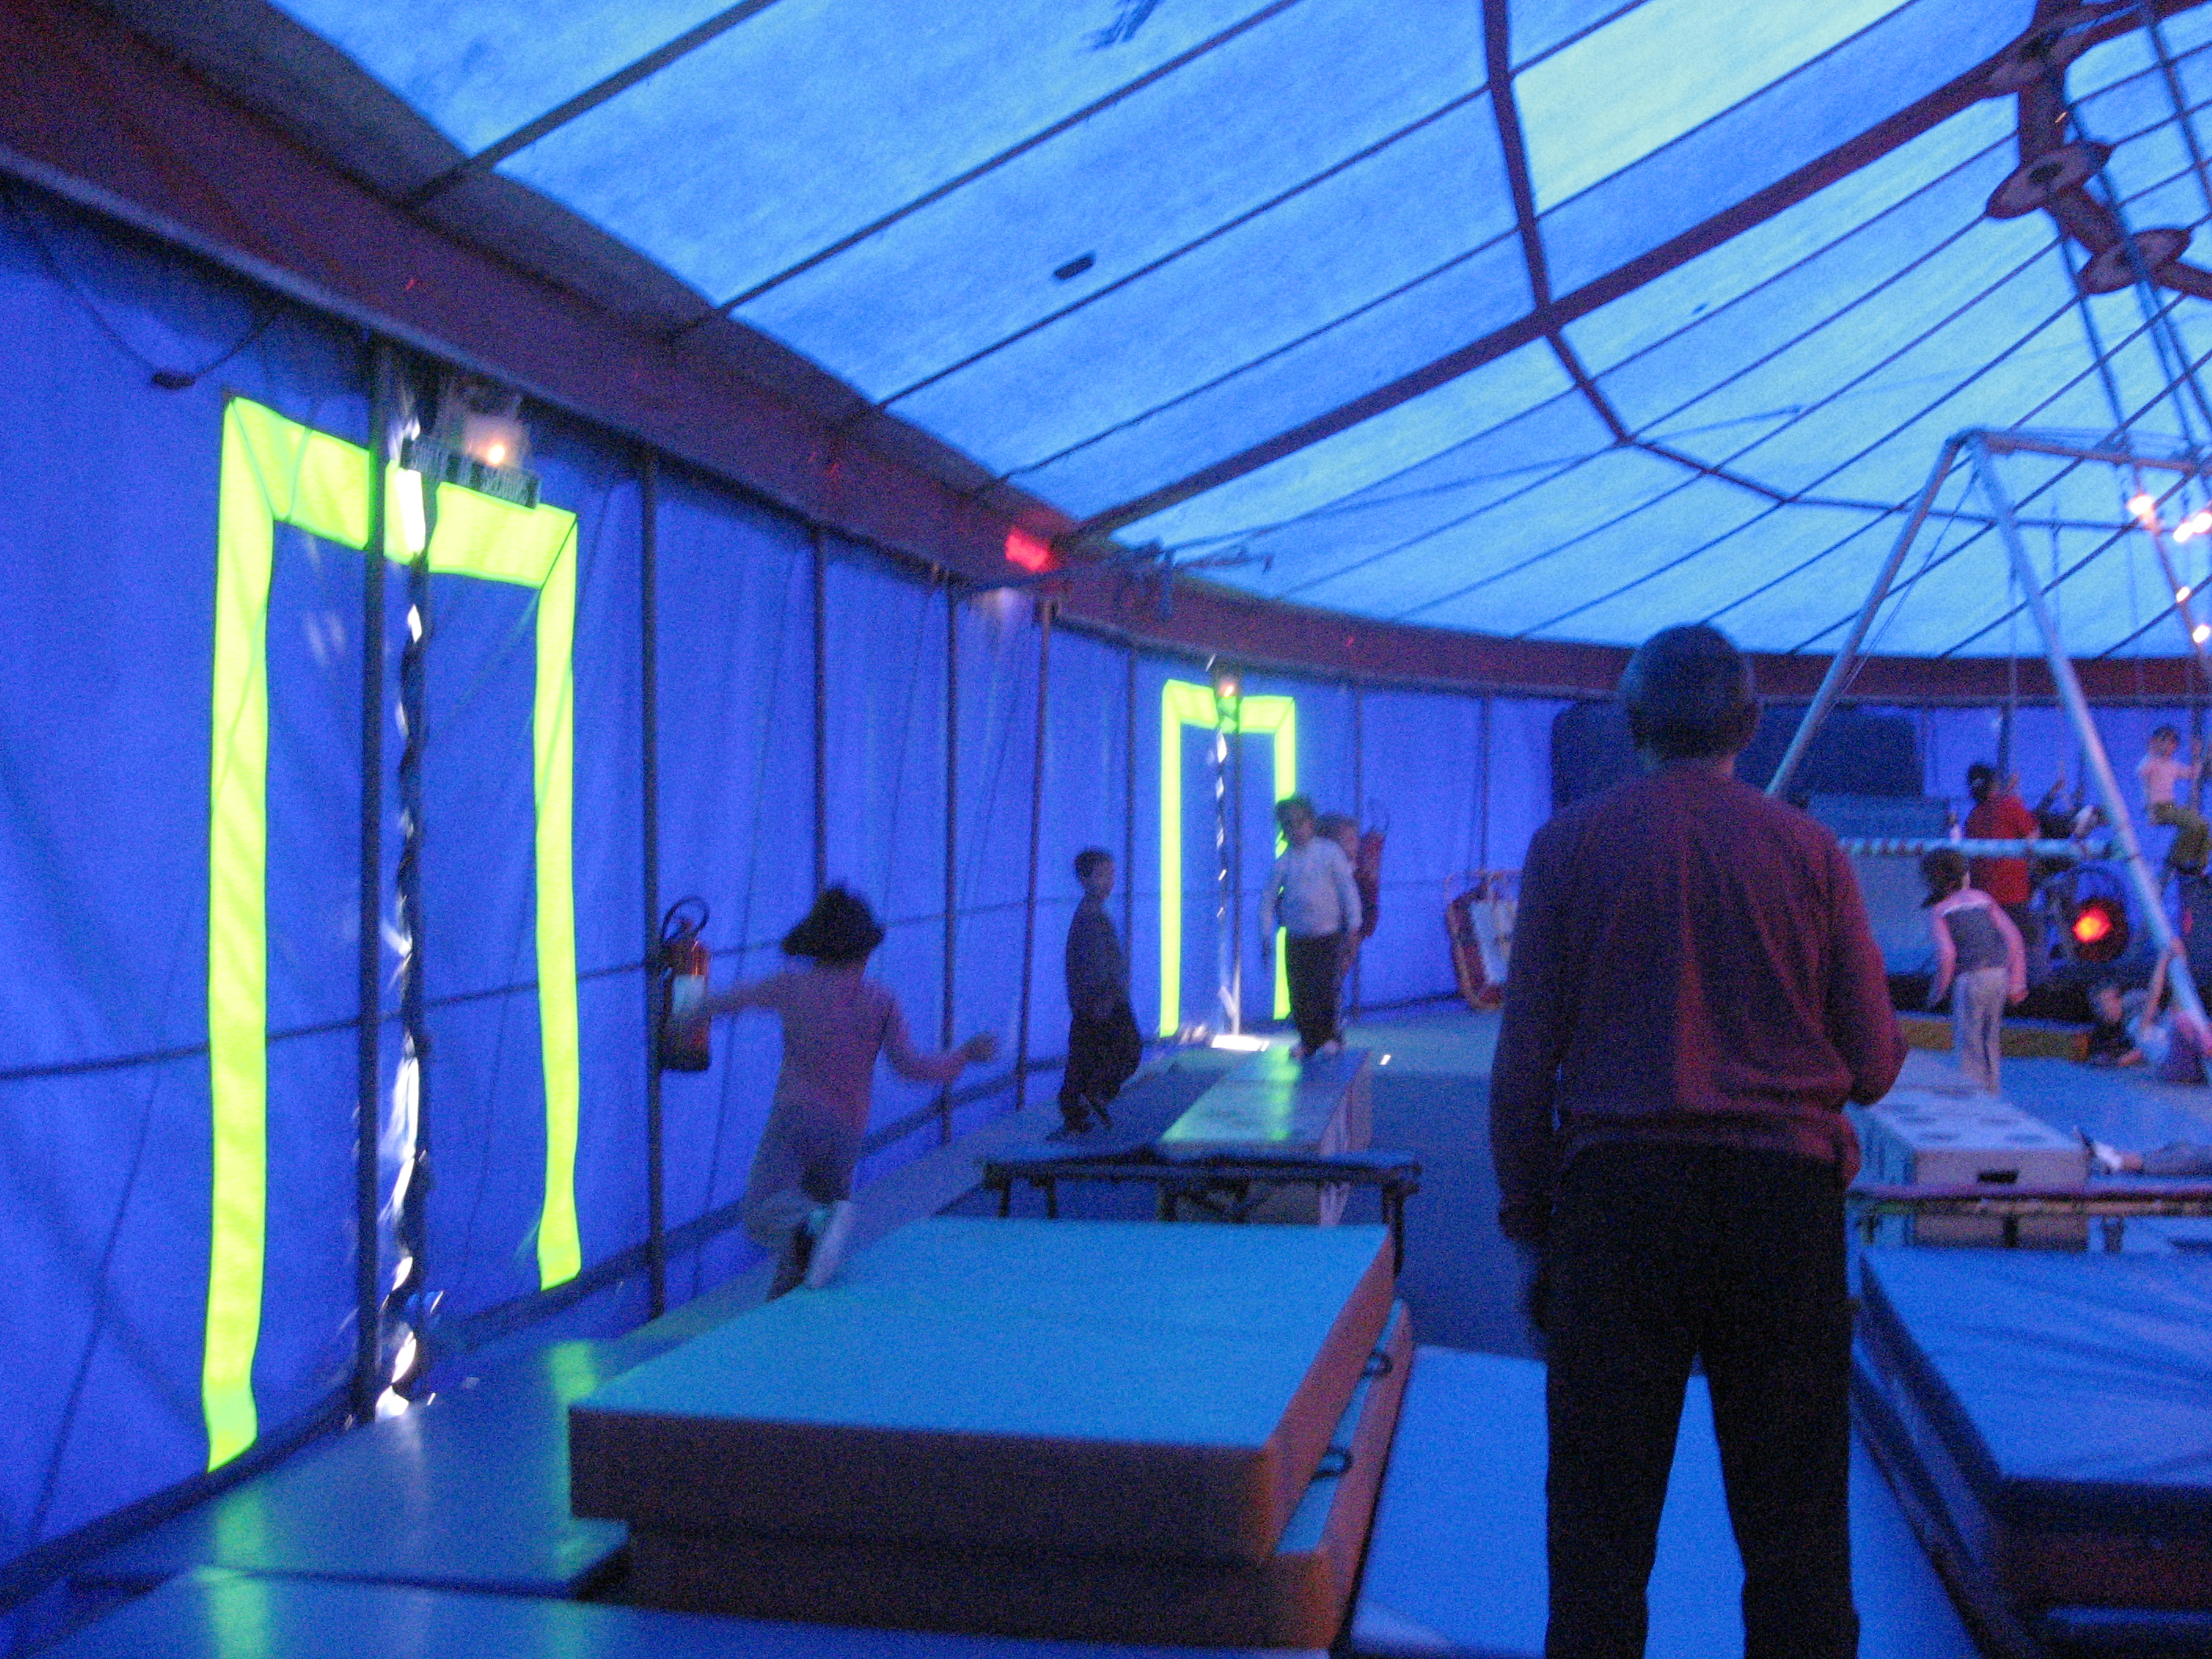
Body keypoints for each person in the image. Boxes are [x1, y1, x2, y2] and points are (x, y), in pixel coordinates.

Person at [1491, 623, 1904, 1659]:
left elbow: (1524, 1063)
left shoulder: (1567, 848)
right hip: (1780, 1212)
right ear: (1751, 724)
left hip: (1617, 1209)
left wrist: (1533, 1229)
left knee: (1597, 1537)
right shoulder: (1809, 853)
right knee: (1797, 1532)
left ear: (1630, 723)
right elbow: (1873, 1062)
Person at [694, 886, 997, 1295]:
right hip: (846, 1130)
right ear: (865, 949)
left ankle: (810, 1226)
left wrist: (683, 1016)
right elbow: (911, 1067)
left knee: (766, 1210)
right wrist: (964, 1055)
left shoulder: (792, 987)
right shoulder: (881, 1001)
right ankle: (794, 1299)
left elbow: (732, 1001)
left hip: (796, 1117)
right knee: (815, 1249)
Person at [1260, 795, 1361, 1057]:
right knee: (1299, 993)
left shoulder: (1330, 853)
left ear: (1312, 823)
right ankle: (1308, 1039)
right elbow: (1267, 900)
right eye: (1289, 825)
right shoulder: (1283, 862)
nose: (1296, 829)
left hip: (1328, 936)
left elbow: (1348, 889)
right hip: (1296, 939)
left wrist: (1354, 926)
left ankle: (1331, 1037)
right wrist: (1265, 936)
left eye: (1301, 822)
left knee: (1324, 990)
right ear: (1283, 830)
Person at [1922, 846, 2027, 1095]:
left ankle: (1972, 1091)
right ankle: (1992, 1089)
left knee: (1969, 1038)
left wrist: (1939, 990)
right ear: (1965, 875)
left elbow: (1947, 955)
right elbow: (2014, 939)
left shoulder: (1940, 910)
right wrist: (2017, 982)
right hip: (1999, 975)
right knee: (1990, 1036)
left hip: (1971, 979)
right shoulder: (1983, 899)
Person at [1058, 848, 1141, 1138]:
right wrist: (1105, 997)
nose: (1110, 881)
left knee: (1084, 1056)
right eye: (1102, 875)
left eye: (1112, 874)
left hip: (1091, 1000)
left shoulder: (1091, 913)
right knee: (1127, 1051)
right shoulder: (1091, 917)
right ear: (1085, 879)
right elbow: (1094, 962)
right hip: (1103, 1000)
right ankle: (1094, 1093)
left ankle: (1076, 1107)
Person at [1964, 763, 2043, 984]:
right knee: (2030, 942)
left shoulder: (1973, 817)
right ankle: (2036, 988)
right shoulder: (2009, 806)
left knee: (1994, 948)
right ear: (1994, 783)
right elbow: (2033, 836)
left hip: (1983, 897)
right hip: (2011, 895)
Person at [1315, 811, 1379, 997]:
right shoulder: (1318, 872)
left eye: (1356, 839)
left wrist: (1362, 930)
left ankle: (1332, 998)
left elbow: (1369, 902)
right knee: (1323, 973)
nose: (1355, 845)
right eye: (1349, 841)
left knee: (1338, 972)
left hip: (1353, 929)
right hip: (1324, 932)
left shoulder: (1360, 872)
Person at [2139, 725, 2208, 877]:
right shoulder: (2152, 763)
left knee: (2204, 825)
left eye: (2172, 743)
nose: (2168, 746)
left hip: (2171, 806)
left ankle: (2199, 864)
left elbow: (2193, 774)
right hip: (2158, 808)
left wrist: (2196, 755)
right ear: (2156, 742)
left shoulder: (2173, 765)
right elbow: (2143, 773)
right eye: (2164, 742)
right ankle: (2179, 859)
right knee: (2195, 824)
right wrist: (2152, 752)